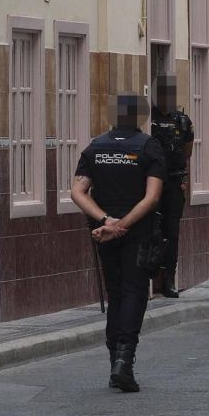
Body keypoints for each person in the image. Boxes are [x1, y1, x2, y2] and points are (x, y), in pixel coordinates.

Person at [71, 93, 167, 393]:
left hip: (105, 234)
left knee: (115, 293)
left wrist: (104, 222)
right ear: (139, 117)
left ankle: (115, 358)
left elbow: (77, 191)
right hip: (136, 233)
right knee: (134, 294)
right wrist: (121, 226)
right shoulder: (149, 147)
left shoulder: (95, 147)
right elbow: (151, 198)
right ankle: (124, 361)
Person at [147, 76, 195, 299]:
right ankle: (148, 273)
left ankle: (169, 279)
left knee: (172, 231)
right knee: (150, 228)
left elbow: (187, 152)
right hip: (150, 181)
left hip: (174, 181)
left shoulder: (182, 121)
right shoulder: (149, 119)